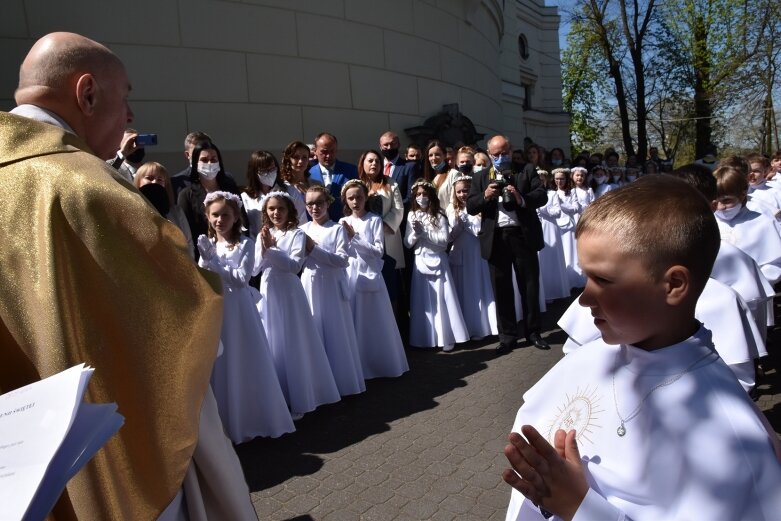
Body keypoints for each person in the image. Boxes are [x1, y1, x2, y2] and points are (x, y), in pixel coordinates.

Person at [2, 32, 255, 519]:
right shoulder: (92, 187)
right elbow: (182, 318)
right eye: (126, 98)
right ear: (88, 93)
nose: (131, 117)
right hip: (110, 459)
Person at [503, 175, 781, 521]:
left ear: (674, 285)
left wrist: (580, 506)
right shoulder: (590, 358)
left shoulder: (729, 437)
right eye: (586, 278)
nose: (585, 298)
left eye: (602, 280)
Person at [197, 191, 295, 442]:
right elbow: (203, 278)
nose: (220, 220)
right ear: (208, 217)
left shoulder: (246, 244)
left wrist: (213, 263)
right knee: (223, 361)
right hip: (218, 308)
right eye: (215, 215)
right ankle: (227, 421)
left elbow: (242, 278)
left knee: (245, 357)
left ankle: (255, 416)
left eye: (225, 215)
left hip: (239, 308)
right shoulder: (209, 245)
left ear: (235, 216)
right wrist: (204, 263)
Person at [254, 191, 341, 419]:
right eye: (271, 209)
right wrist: (263, 249)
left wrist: (271, 250)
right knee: (274, 340)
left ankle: (301, 396)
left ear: (290, 211)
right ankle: (280, 393)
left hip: (290, 293)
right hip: (269, 290)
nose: (276, 213)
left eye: (280, 209)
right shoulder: (264, 235)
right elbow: (254, 269)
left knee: (292, 340)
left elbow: (294, 266)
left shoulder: (297, 234)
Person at [467, 135, 550, 352]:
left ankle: (533, 332)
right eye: (496, 155)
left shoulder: (526, 170)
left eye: (504, 153)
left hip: (523, 236)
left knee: (529, 286)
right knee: (501, 289)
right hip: (496, 238)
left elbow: (541, 196)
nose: (500, 158)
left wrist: (521, 198)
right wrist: (485, 196)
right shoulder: (481, 177)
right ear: (488, 154)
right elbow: (470, 206)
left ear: (511, 151)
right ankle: (507, 336)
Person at [301, 185, 366, 397]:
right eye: (310, 204)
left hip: (331, 286)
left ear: (328, 203)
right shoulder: (302, 230)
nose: (314, 208)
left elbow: (342, 260)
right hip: (310, 284)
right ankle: (318, 383)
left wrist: (314, 250)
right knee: (315, 329)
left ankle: (342, 381)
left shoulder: (336, 228)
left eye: (319, 203)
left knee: (335, 331)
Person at [340, 180, 409, 378]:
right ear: (345, 200)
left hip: (370, 273)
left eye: (359, 197)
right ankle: (358, 365)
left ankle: (380, 362)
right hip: (351, 274)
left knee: (374, 319)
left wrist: (355, 238)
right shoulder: (342, 222)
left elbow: (378, 251)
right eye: (351, 198)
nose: (355, 202)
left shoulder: (374, 220)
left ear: (365, 198)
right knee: (354, 319)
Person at [404, 180, 469, 351]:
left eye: (424, 194)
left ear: (431, 195)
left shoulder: (439, 215)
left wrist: (424, 233)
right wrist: (416, 235)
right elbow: (408, 243)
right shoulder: (412, 215)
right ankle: (424, 337)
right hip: (421, 261)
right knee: (423, 300)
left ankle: (446, 337)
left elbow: (443, 242)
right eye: (418, 194)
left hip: (438, 261)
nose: (421, 197)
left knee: (442, 298)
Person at [447, 174, 498, 340]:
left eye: (466, 191)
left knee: (479, 287)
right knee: (464, 289)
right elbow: (449, 237)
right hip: (460, 254)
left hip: (477, 252)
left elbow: (480, 232)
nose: (462, 195)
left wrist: (468, 223)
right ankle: (467, 327)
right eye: (459, 192)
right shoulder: (451, 209)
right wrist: (457, 226)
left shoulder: (479, 207)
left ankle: (485, 326)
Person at [359, 149, 405, 310]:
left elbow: (398, 209)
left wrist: (383, 226)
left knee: (390, 283)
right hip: (366, 240)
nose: (374, 164)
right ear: (362, 163)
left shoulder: (390, 183)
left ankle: (394, 323)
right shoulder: (357, 185)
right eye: (370, 161)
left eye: (377, 161)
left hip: (387, 237)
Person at [177, 141, 239, 259]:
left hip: (233, 254)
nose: (210, 163)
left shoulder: (229, 188)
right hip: (201, 257)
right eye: (204, 160)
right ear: (195, 163)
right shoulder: (186, 195)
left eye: (213, 159)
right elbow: (186, 232)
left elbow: (242, 220)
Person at [134, 161, 194, 254]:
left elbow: (188, 243)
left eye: (160, 180)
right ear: (138, 181)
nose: (154, 182)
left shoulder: (176, 212)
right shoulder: (131, 209)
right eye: (149, 178)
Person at [307, 132, 358, 221]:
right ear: (315, 151)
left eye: (332, 151)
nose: (328, 155)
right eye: (324, 151)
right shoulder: (307, 173)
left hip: (344, 224)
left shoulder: (351, 171)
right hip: (316, 225)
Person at [241, 150, 288, 239]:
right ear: (254, 173)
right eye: (264, 170)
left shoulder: (288, 191)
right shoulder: (245, 197)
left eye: (272, 169)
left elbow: (301, 221)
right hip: (256, 247)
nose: (269, 173)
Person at [379, 131, 419, 207]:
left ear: (398, 145)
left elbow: (411, 196)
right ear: (380, 147)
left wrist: (391, 209)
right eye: (386, 145)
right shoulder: (377, 167)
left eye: (392, 144)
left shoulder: (410, 166)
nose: (389, 147)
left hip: (400, 214)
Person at [280, 140, 316, 225]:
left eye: (304, 157)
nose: (300, 161)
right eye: (296, 157)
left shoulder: (316, 184)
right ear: (288, 159)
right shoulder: (282, 186)